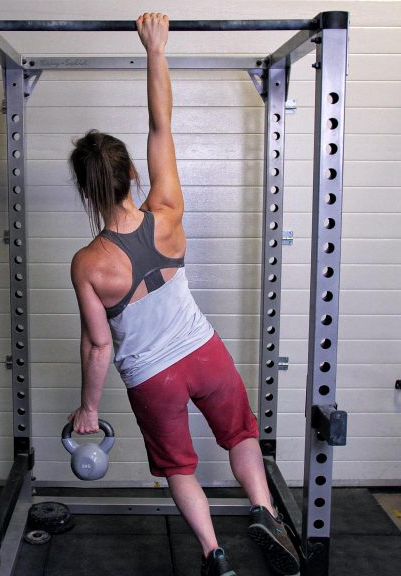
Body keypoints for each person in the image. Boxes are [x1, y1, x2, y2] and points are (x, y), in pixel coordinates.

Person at [66, 12, 301, 576]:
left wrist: (89, 409)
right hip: (204, 351)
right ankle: (263, 509)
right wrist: (155, 51)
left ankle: (214, 555)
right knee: (242, 434)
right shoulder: (166, 209)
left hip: (153, 377)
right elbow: (160, 126)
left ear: (87, 190)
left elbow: (100, 347)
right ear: (130, 176)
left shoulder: (88, 265)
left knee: (179, 468)